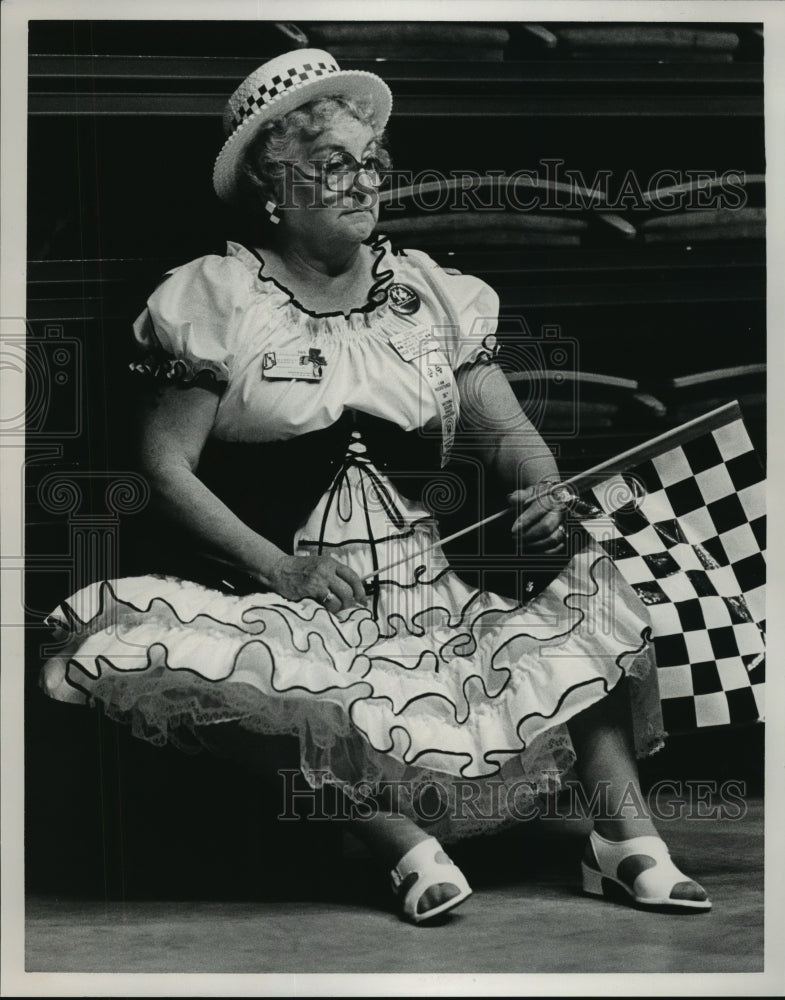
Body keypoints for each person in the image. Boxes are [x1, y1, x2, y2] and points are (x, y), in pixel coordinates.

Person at [39, 48, 710, 922]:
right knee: (181, 657)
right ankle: (399, 845)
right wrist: (279, 569)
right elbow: (164, 469)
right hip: (291, 586)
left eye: (370, 164)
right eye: (333, 167)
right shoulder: (217, 297)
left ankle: (625, 841)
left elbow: (505, 431)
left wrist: (543, 491)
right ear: (272, 190)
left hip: (437, 586)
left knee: (603, 586)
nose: (363, 184)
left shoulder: (432, 293)